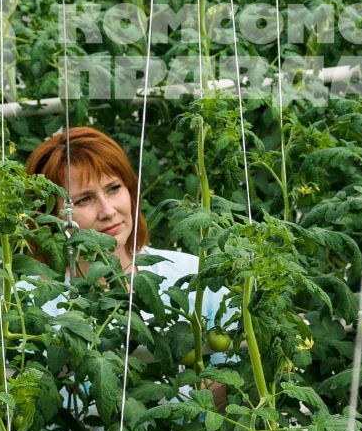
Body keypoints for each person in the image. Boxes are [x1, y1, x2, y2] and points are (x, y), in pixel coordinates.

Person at [23, 125, 230, 374]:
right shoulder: (28, 302)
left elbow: (241, 370)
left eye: (113, 188)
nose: (108, 211)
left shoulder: (193, 275)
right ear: (48, 216)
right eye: (83, 200)